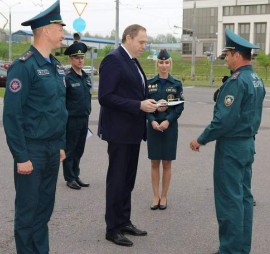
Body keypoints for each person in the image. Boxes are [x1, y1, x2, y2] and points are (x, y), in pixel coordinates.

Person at [190, 28, 266, 254]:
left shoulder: (237, 81)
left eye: (228, 55)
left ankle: (230, 250)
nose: (226, 60)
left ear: (236, 54)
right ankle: (241, 248)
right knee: (243, 198)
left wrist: (201, 139)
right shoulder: (256, 79)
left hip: (232, 147)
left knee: (229, 201)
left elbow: (224, 120)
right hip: (247, 144)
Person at [2, 1, 67, 253]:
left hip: (52, 149)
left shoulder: (55, 66)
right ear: (45, 30)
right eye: (59, 27)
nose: (63, 32)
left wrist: (60, 144)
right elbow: (12, 115)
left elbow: (59, 109)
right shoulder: (24, 66)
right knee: (28, 212)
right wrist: (21, 156)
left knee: (44, 210)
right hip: (32, 150)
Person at [98, 24, 158, 247]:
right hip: (119, 132)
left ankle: (124, 221)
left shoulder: (132, 60)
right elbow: (105, 96)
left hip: (132, 131)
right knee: (117, 180)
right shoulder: (114, 59)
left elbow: (134, 91)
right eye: (141, 42)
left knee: (127, 180)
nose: (144, 46)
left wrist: (151, 103)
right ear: (128, 38)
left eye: (145, 42)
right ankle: (112, 228)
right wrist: (138, 105)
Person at [146, 49, 184, 210]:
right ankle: (155, 196)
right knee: (155, 162)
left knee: (167, 163)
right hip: (153, 127)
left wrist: (168, 121)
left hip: (169, 127)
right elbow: (145, 106)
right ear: (157, 63)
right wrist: (153, 121)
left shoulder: (176, 84)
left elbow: (180, 107)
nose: (163, 65)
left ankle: (164, 196)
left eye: (166, 62)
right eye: (161, 62)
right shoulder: (149, 84)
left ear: (170, 64)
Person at [62, 41, 92, 190]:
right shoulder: (67, 77)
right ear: (71, 59)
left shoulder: (86, 77)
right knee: (70, 149)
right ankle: (69, 178)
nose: (80, 60)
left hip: (84, 119)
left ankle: (76, 174)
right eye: (76, 57)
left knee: (79, 149)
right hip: (71, 120)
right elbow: (62, 100)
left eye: (82, 57)